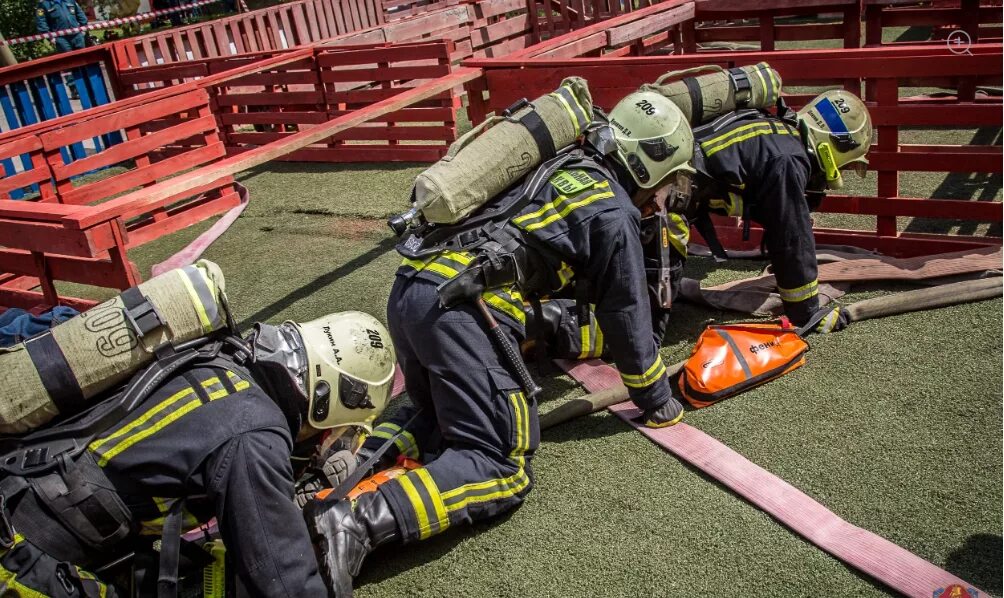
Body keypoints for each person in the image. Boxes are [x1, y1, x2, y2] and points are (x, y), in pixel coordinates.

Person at [303, 91, 698, 596]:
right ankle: (354, 524)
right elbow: (626, 316)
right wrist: (656, 399)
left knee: (438, 420)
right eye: (667, 185)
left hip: (411, 292)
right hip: (462, 311)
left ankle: (334, 479)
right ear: (653, 165)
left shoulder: (558, 162)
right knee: (499, 462)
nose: (661, 198)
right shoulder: (613, 211)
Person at [0, 310, 396, 597]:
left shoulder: (218, 357)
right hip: (21, 555)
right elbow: (284, 579)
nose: (325, 444)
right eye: (337, 432)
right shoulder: (253, 431)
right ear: (324, 401)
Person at [689, 89, 873, 332]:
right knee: (647, 287)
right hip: (667, 195)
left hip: (665, 182)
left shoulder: (775, 132)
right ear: (834, 149)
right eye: (845, 166)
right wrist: (808, 313)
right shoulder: (788, 159)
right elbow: (792, 239)